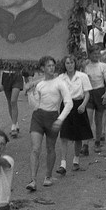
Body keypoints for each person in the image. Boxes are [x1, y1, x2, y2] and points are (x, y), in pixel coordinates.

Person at [23, 56, 72, 191]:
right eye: (48, 66)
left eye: (53, 65)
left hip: (52, 117)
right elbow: (34, 105)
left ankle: (48, 176)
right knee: (35, 148)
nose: (51, 68)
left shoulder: (60, 83)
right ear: (42, 68)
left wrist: (60, 119)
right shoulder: (39, 84)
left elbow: (69, 103)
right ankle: (33, 179)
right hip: (38, 117)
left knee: (50, 148)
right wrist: (30, 93)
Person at [56, 55, 91, 173]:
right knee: (64, 134)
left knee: (78, 135)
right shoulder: (61, 78)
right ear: (64, 65)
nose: (69, 65)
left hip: (78, 105)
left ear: (75, 64)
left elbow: (87, 93)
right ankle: (63, 163)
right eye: (67, 63)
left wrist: (83, 105)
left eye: (71, 63)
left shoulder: (82, 76)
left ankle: (76, 159)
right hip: (66, 105)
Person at [0, 69, 24, 138]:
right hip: (6, 76)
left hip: (17, 74)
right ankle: (15, 122)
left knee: (13, 101)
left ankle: (14, 127)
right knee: (9, 102)